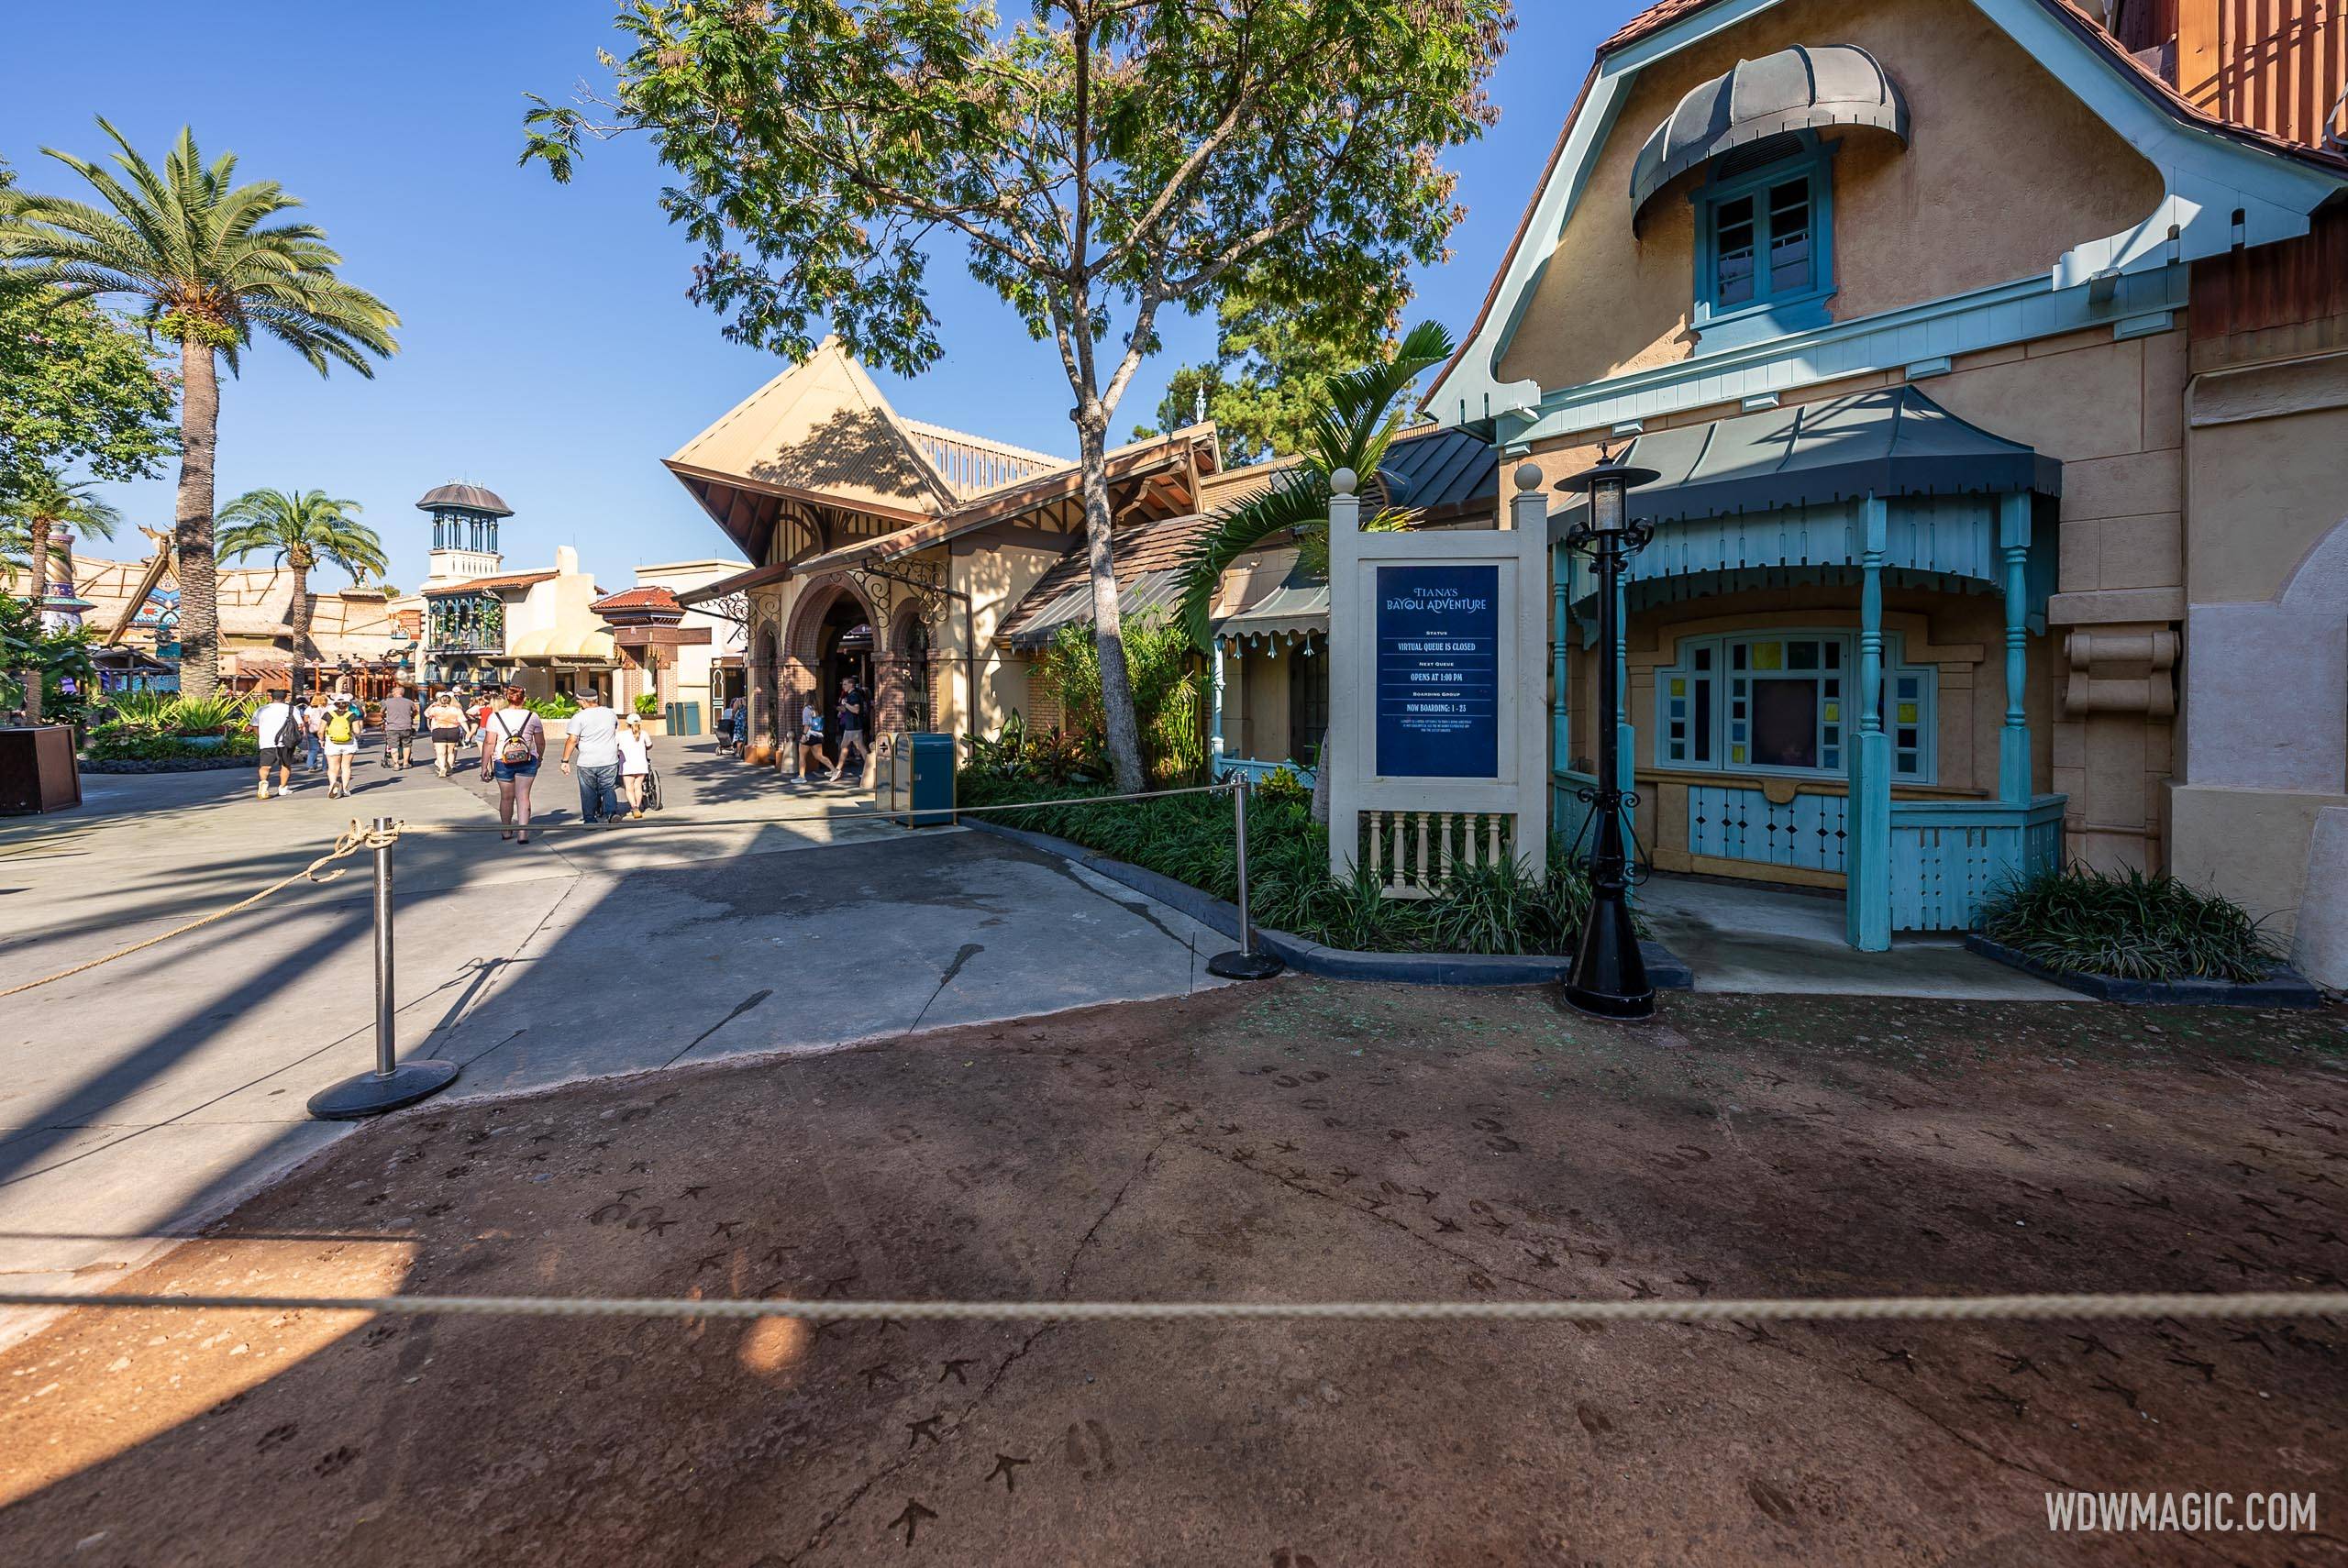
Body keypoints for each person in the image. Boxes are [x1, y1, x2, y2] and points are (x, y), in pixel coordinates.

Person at [479, 687, 545, 843]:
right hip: (527, 760)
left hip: (502, 760)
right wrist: (539, 757)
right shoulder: (532, 716)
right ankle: (523, 834)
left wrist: (484, 766)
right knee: (523, 797)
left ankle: (507, 832)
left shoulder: (495, 717)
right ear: (524, 699)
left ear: (507, 698)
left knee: (506, 798)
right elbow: (540, 742)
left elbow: (489, 742)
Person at [560, 687, 623, 825]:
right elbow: (614, 731)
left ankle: (590, 820)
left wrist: (565, 760)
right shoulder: (610, 714)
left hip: (587, 761)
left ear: (583, 701)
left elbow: (572, 739)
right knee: (608, 787)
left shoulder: (579, 717)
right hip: (609, 759)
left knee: (588, 791)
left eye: (578, 700)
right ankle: (611, 813)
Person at [251, 693, 302, 800]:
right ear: (285, 698)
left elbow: (255, 726)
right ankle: (283, 788)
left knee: (265, 765)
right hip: (286, 741)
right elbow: (300, 725)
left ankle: (263, 783)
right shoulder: (291, 709)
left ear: (271, 697)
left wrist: (261, 737)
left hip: (266, 741)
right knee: (285, 764)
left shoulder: (261, 710)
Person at [319, 691, 362, 799]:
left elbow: (321, 731)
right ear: (348, 704)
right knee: (346, 766)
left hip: (332, 743)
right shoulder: (352, 715)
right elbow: (357, 731)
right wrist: (357, 735)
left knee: (333, 767)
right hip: (349, 743)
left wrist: (321, 740)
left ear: (335, 704)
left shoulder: (328, 715)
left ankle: (333, 784)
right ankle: (345, 789)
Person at [830, 674, 872, 783]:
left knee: (859, 748)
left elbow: (856, 710)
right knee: (845, 748)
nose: (843, 686)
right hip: (851, 726)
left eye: (845, 684)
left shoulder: (853, 696)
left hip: (854, 727)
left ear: (851, 684)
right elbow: (848, 710)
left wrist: (846, 704)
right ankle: (838, 770)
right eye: (843, 684)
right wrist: (839, 708)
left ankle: (871, 768)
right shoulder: (851, 695)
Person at [616, 712, 653, 820]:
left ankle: (634, 807)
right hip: (641, 764)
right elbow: (649, 746)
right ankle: (638, 805)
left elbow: (614, 747)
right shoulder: (644, 734)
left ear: (627, 723)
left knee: (629, 788)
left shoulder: (620, 735)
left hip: (627, 765)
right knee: (638, 787)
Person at [425, 688, 467, 777]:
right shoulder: (456, 710)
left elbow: (426, 714)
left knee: (440, 752)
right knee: (451, 751)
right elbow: (462, 721)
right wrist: (468, 732)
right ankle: (449, 767)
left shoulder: (435, 709)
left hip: (439, 731)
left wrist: (431, 706)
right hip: (453, 731)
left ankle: (442, 767)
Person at [380, 683, 418, 773]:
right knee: (406, 744)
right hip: (406, 726)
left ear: (394, 693)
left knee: (393, 746)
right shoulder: (409, 702)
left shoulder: (387, 702)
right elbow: (415, 712)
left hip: (392, 727)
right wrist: (411, 716)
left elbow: (381, 712)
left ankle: (396, 764)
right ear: (402, 693)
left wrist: (384, 717)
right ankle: (405, 763)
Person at [795, 700, 830, 779]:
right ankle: (834, 770)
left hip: (808, 734)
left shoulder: (807, 709)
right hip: (817, 734)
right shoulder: (818, 708)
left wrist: (804, 735)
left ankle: (801, 777)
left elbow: (807, 724)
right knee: (819, 756)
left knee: (802, 756)